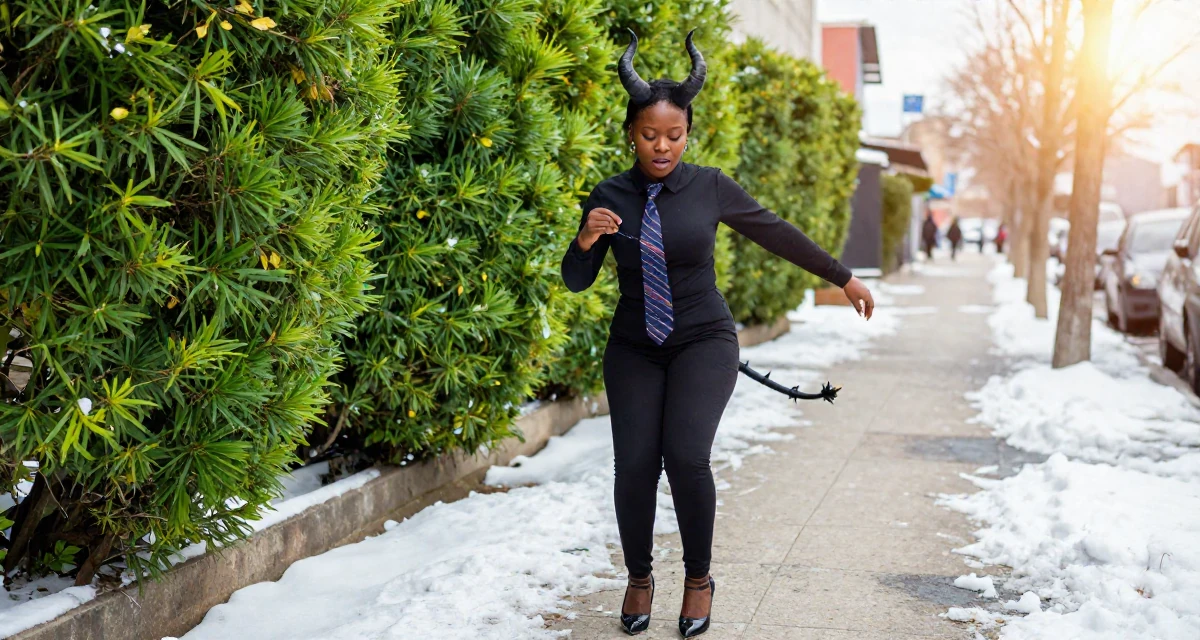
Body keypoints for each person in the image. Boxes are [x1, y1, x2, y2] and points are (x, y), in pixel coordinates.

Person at [560, 30, 875, 638]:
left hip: (703, 338)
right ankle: (639, 577)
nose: (662, 146)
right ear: (631, 133)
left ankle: (699, 580)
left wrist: (842, 277)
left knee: (684, 455)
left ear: (688, 134)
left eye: (674, 135)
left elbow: (774, 230)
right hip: (634, 346)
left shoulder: (710, 187)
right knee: (634, 466)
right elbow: (577, 281)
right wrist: (585, 239)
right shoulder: (610, 195)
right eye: (650, 135)